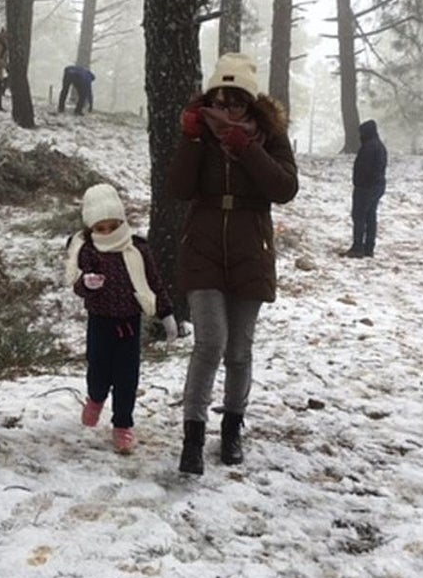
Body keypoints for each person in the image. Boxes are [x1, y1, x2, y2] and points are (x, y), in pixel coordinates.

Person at [169, 52, 299, 474]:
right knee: (210, 342)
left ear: (250, 101)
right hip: (203, 246)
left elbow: (284, 188)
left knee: (239, 351)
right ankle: (192, 436)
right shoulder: (198, 133)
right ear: (209, 99)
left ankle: (232, 429)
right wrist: (190, 141)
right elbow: (180, 188)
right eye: (219, 102)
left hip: (250, 250)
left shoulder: (270, 134)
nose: (227, 111)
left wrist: (248, 150)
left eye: (236, 102)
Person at [64, 183, 180, 454]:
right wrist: (87, 284)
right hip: (99, 321)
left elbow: (153, 282)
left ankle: (123, 425)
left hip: (129, 322)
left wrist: (166, 313)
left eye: (112, 227)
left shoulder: (137, 249)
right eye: (100, 229)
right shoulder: (87, 250)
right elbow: (77, 284)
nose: (106, 233)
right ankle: (95, 398)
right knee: (98, 369)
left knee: (127, 377)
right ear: (91, 228)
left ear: (122, 222)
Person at [343, 119, 387, 258]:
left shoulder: (368, 147)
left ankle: (357, 247)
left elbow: (364, 169)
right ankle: (369, 247)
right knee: (371, 216)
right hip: (377, 186)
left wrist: (359, 183)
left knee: (359, 216)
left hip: (365, 187)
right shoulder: (379, 146)